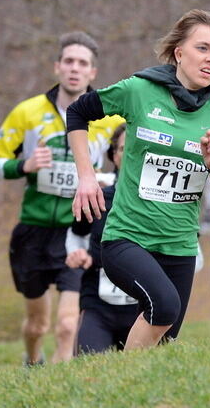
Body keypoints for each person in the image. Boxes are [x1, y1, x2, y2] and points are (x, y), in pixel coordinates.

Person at [68, 9, 210, 348]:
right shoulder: (140, 90)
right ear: (179, 53)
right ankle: (120, 383)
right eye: (203, 48)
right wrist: (87, 177)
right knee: (164, 307)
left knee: (163, 343)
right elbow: (77, 112)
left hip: (180, 246)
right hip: (127, 238)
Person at [0, 31, 122, 366]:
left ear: (93, 72)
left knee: (66, 326)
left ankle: (59, 386)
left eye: (83, 63)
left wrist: (108, 181)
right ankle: (33, 361)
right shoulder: (27, 112)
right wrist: (25, 165)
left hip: (78, 230)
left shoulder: (109, 117)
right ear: (57, 67)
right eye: (69, 61)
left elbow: (127, 159)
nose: (75, 68)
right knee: (38, 325)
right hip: (34, 230)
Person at [65, 124, 141, 354]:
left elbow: (193, 257)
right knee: (87, 368)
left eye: (136, 149)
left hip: (144, 310)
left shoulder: (163, 203)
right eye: (122, 149)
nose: (129, 155)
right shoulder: (96, 197)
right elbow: (76, 236)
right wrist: (78, 254)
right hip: (98, 304)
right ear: (113, 155)